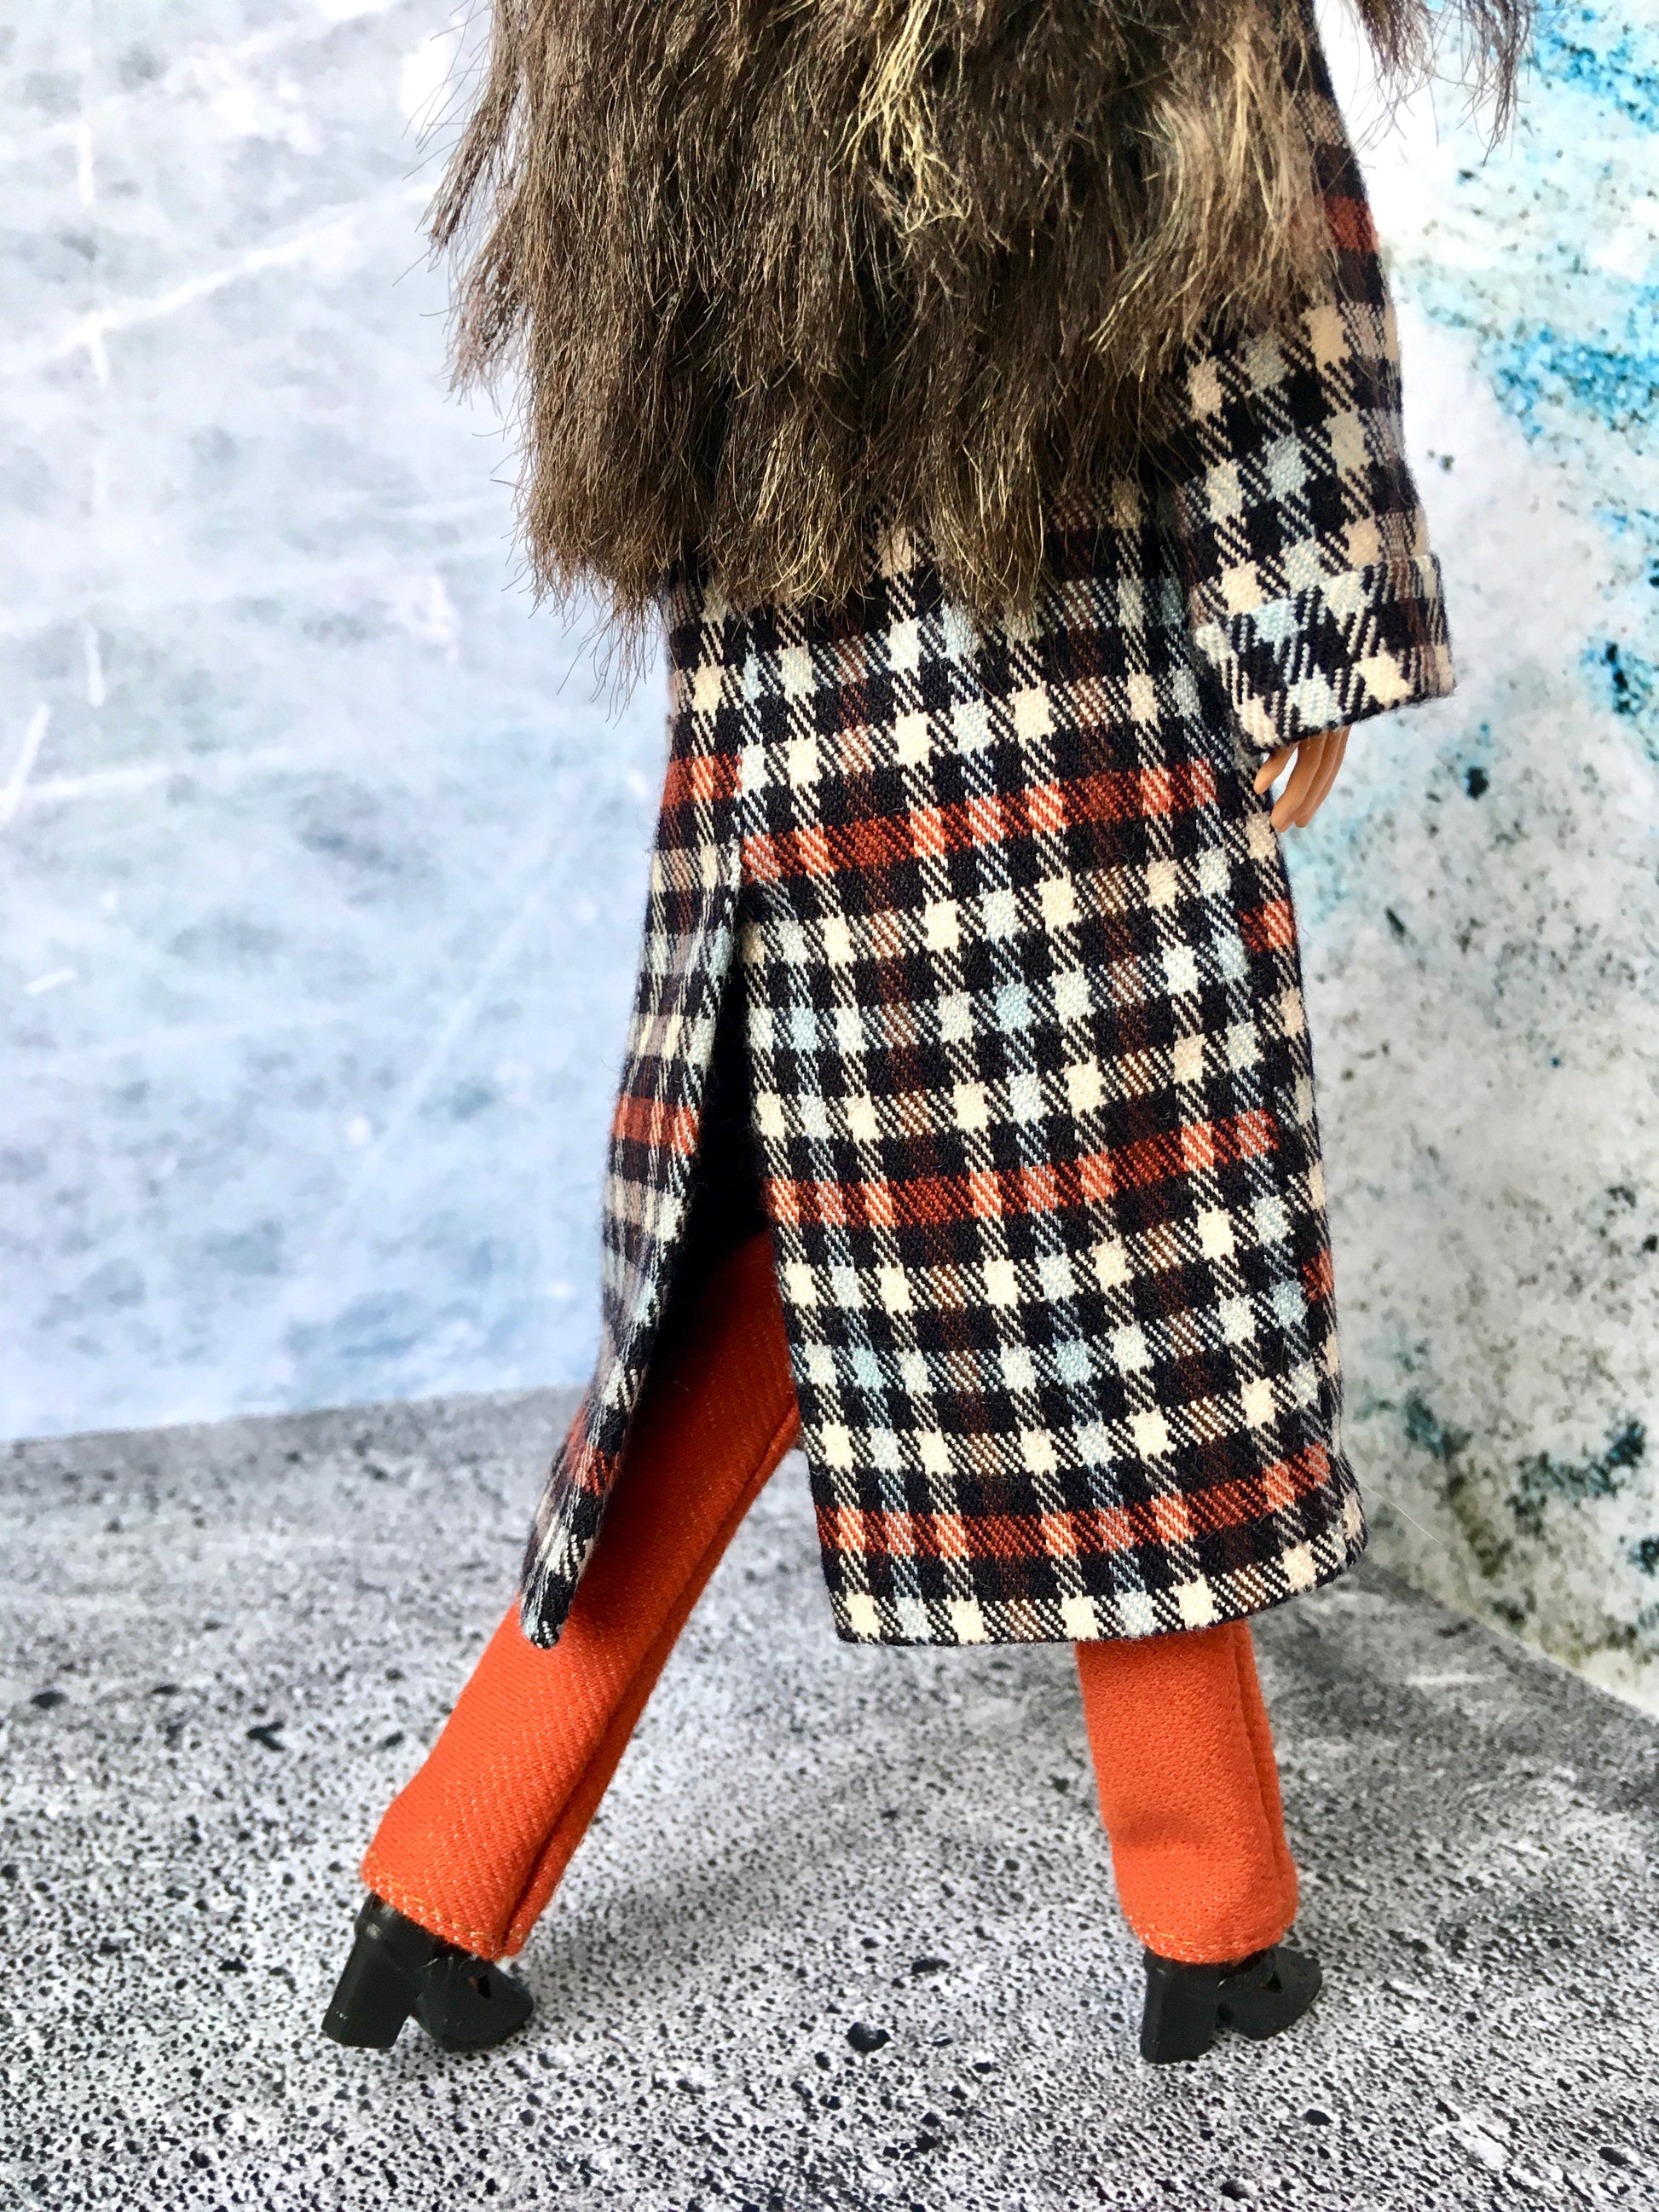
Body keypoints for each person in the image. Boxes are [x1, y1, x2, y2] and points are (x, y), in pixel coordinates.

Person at [321, 0, 1524, 2064]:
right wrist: (1309, 630)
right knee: (1104, 1283)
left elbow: (648, 379)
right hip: (1061, 685)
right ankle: (1214, 1922)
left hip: (801, 713)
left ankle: (448, 1867)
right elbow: (1262, 288)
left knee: (804, 1268)